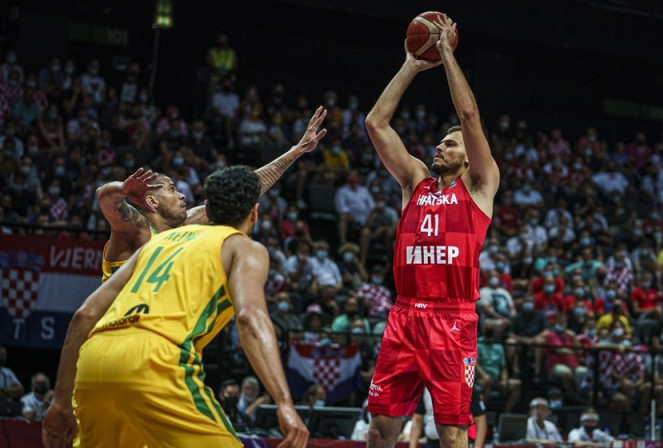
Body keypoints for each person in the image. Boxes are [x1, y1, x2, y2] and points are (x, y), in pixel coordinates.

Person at [42, 166, 309, 448]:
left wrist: (60, 400)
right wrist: (284, 402)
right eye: (171, 189)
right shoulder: (233, 245)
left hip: (95, 357)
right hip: (156, 358)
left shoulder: (159, 243)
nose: (181, 195)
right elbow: (250, 317)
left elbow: (84, 314)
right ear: (255, 213)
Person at [364, 15, 500, 448]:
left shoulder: (479, 186)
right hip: (404, 315)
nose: (441, 145)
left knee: (451, 431)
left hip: (452, 318)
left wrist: (444, 52)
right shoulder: (414, 182)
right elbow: (376, 125)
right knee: (382, 427)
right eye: (442, 141)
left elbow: (469, 114)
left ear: (467, 159)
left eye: (452, 144)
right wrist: (410, 65)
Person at [96, 106, 327, 282]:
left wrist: (294, 152)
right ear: (151, 200)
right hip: (117, 336)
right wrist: (123, 189)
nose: (182, 195)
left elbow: (242, 189)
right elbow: (105, 199)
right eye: (172, 189)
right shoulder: (137, 229)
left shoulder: (184, 227)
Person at [408, 387, 487, 448]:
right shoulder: (425, 388)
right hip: (432, 442)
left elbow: (481, 420)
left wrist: (477, 446)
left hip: (457, 442)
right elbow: (417, 420)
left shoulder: (466, 386)